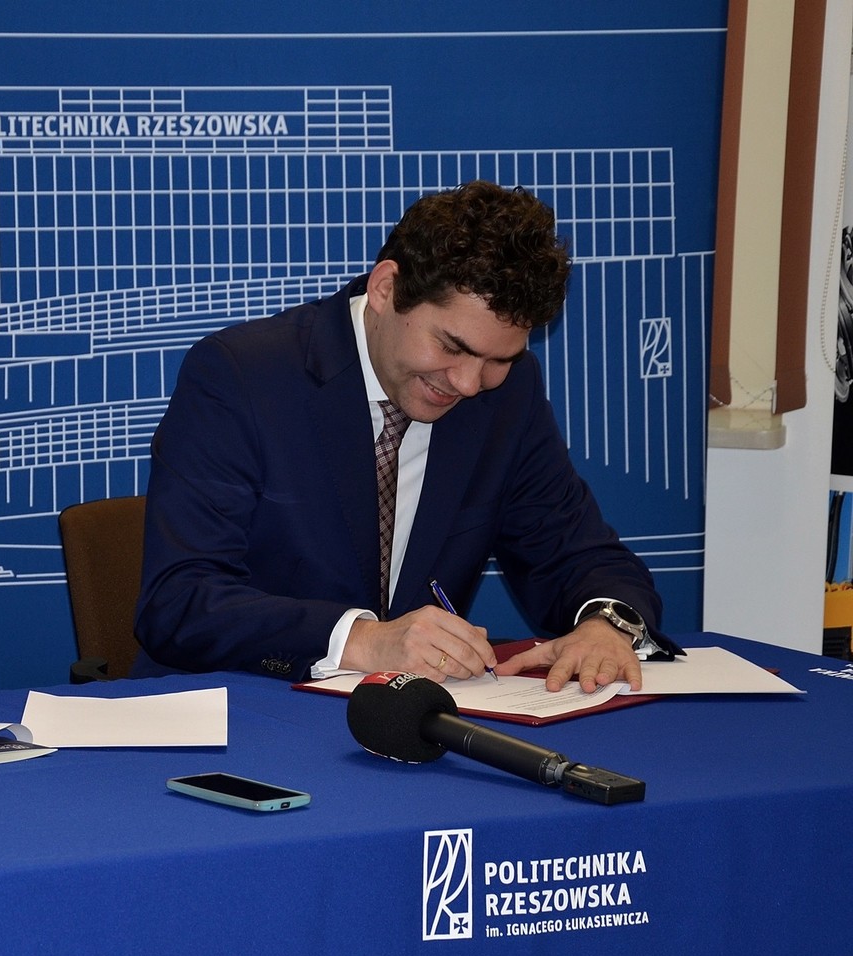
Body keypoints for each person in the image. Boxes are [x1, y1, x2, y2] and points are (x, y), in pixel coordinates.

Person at [133, 180, 676, 694]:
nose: (468, 384)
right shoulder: (243, 377)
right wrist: (362, 641)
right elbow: (179, 600)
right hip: (245, 710)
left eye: (499, 360)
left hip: (412, 726)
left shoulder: (508, 395)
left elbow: (575, 552)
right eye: (452, 347)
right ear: (386, 289)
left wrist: (605, 626)